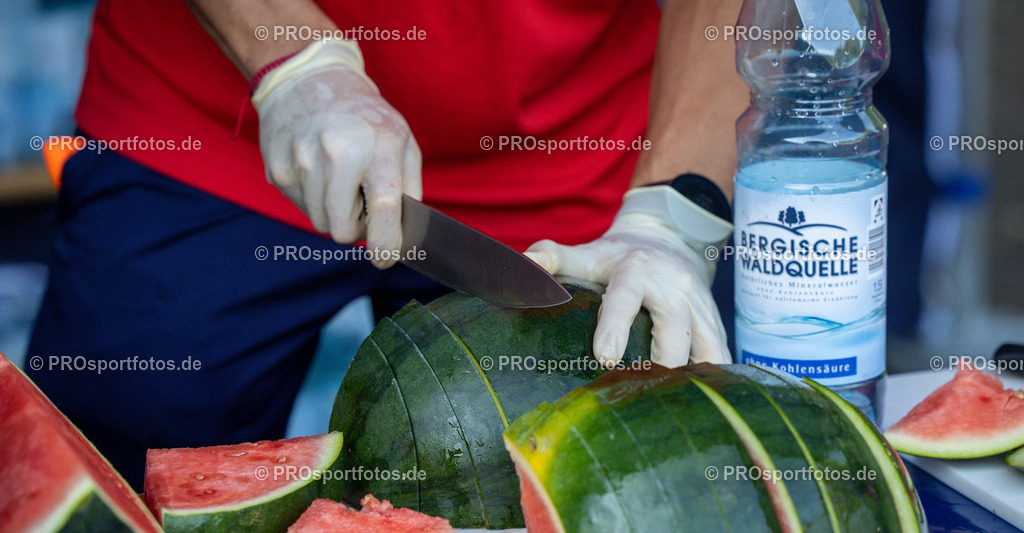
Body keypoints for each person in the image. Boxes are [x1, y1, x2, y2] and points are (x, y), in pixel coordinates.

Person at [27, 0, 746, 488]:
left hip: (578, 155)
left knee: (570, 500)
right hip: (212, 121)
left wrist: (675, 212)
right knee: (117, 477)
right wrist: (291, 58)